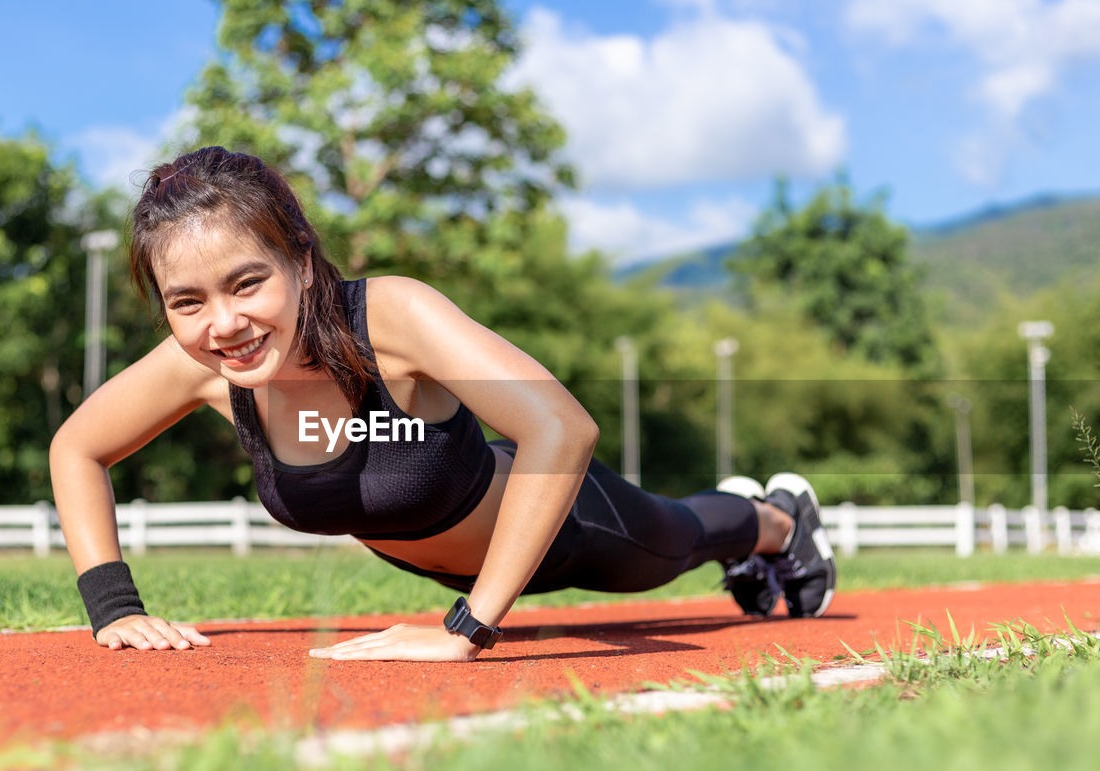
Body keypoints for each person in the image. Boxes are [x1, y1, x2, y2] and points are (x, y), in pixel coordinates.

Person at [49, 146, 836, 662]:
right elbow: (76, 448)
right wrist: (112, 606)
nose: (223, 322)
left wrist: (469, 627)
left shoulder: (390, 317)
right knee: (681, 533)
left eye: (247, 282)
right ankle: (758, 522)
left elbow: (563, 426)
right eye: (187, 301)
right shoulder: (203, 367)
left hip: (564, 525)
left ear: (299, 257)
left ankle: (777, 522)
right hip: (453, 560)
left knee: (679, 536)